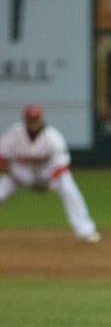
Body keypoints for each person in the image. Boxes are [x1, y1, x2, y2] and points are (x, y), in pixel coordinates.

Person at [0, 104, 101, 243]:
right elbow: (2, 156)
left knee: (68, 188)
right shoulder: (15, 133)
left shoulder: (52, 136)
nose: (33, 122)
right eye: (30, 119)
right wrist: (7, 171)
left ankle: (85, 230)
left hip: (47, 173)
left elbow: (63, 165)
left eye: (35, 119)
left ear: (40, 119)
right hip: (20, 173)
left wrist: (49, 180)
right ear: (25, 120)